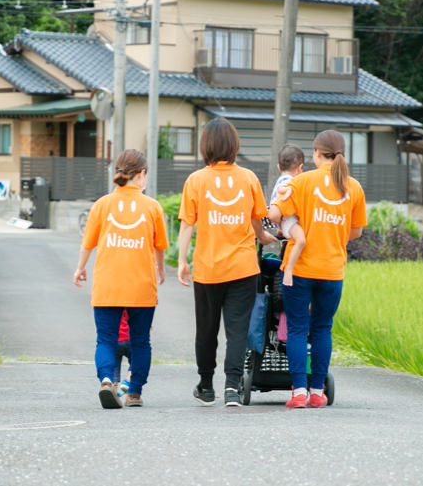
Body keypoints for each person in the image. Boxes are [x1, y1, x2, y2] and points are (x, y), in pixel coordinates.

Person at [177, 118, 277, 407]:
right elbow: (257, 220)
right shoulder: (248, 178)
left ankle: (206, 386)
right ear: (234, 145)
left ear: (205, 146)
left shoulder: (196, 180)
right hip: (243, 268)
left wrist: (182, 260)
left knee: (206, 330)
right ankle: (232, 388)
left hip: (207, 269)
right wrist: (264, 238)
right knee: (237, 330)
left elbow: (187, 225)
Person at [267, 130, 366, 409]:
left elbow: (273, 216)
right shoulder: (353, 187)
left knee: (297, 329)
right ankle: (316, 392)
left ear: (316, 154)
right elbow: (355, 231)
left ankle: (298, 392)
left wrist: (277, 212)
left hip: (299, 270)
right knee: (322, 328)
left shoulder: (302, 182)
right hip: (332, 271)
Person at [73, 149, 168, 409]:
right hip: (141, 287)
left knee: (105, 339)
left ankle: (106, 380)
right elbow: (159, 246)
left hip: (107, 285)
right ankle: (134, 392)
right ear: (141, 174)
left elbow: (87, 243)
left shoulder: (102, 204)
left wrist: (80, 268)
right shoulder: (152, 206)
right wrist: (161, 270)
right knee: (141, 342)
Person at [271, 144, 307, 287]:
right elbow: (283, 188)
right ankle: (289, 269)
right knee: (301, 241)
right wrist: (286, 190)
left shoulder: (281, 178)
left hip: (283, 222)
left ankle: (282, 230)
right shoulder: (290, 181)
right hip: (289, 221)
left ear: (278, 168)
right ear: (300, 168)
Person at [113, 310, 132, 397]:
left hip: (116, 340)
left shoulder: (113, 309)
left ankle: (114, 387)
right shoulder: (133, 307)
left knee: (115, 364)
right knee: (136, 360)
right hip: (130, 340)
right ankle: (128, 380)